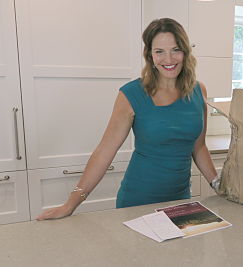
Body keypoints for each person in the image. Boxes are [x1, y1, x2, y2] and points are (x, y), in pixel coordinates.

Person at [36, 18, 221, 220]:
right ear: (150, 55)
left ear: (185, 51)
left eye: (176, 50)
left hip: (180, 200)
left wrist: (218, 184)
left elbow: (199, 147)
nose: (168, 59)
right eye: (159, 51)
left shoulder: (198, 91)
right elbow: (105, 151)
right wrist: (70, 204)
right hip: (138, 201)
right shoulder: (132, 94)